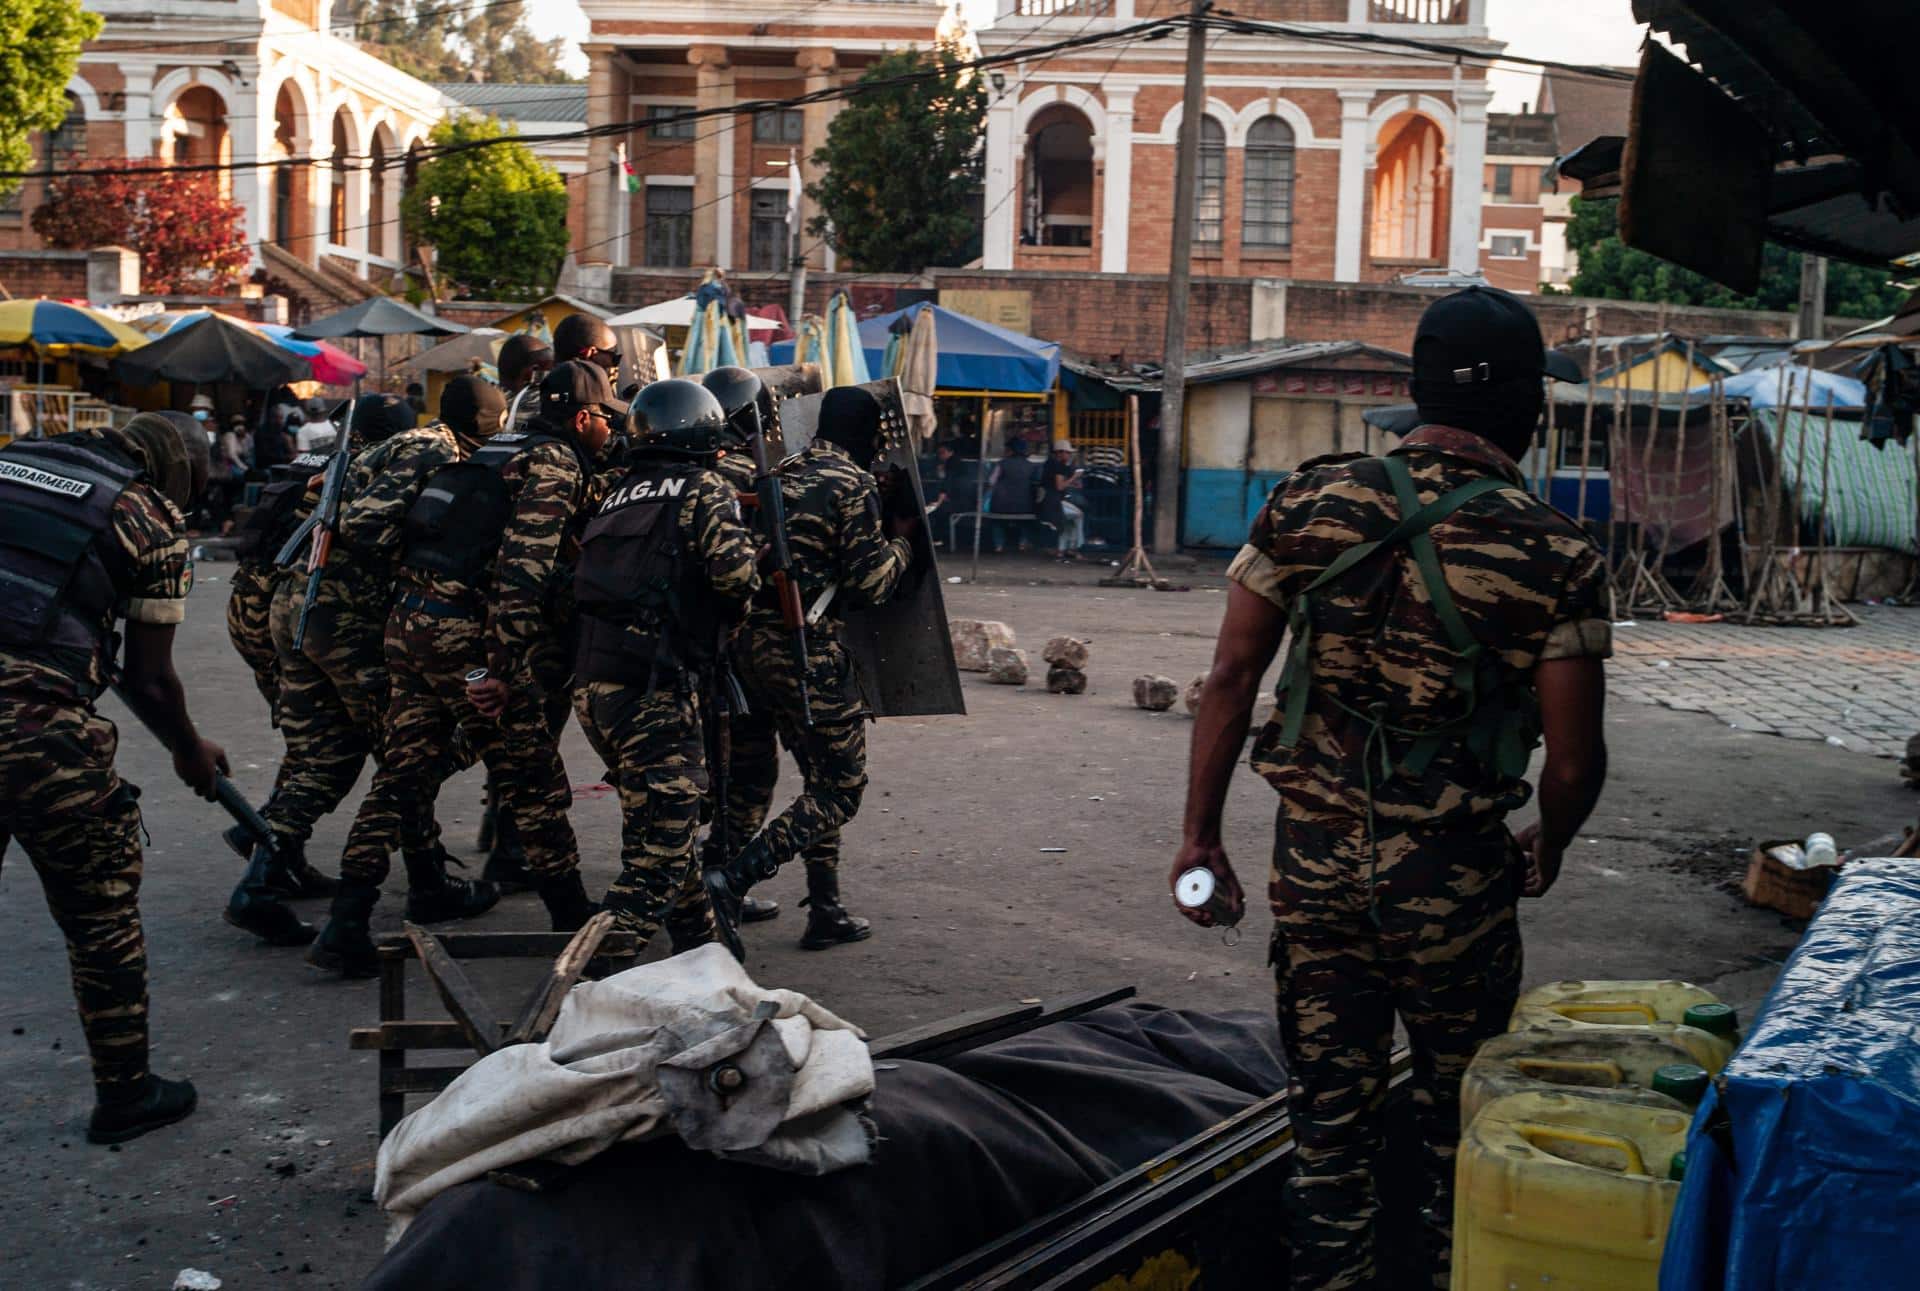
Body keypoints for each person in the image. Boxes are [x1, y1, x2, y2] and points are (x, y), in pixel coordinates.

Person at [1171, 286, 1611, 1290]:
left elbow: (1231, 679)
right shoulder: (1557, 552)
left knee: (1328, 1126)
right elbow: (1577, 762)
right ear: (1527, 408)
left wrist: (1200, 837)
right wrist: (1550, 836)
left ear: (1414, 394)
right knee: (1466, 1130)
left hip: (1316, 872)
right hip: (1456, 889)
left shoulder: (1310, 502)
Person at [0, 412, 221, 1143]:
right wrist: (190, 749)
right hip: (38, 733)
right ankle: (126, 1094)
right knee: (101, 918)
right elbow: (150, 680)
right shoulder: (147, 517)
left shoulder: (11, 464)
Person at [306, 377, 512, 976]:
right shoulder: (436, 449)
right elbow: (365, 523)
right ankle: (568, 906)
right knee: (502, 750)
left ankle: (367, 907)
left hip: (391, 620)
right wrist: (426, 554)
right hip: (399, 622)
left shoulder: (425, 445)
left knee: (403, 766)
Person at [705, 385, 918, 958]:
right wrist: (901, 541)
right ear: (872, 437)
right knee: (836, 788)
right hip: (806, 653)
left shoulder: (782, 468)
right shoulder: (850, 483)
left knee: (752, 781)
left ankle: (821, 906)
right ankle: (730, 881)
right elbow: (871, 584)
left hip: (747, 650)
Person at [571, 379, 759, 952]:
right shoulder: (703, 489)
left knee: (662, 834)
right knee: (658, 858)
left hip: (596, 685)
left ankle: (705, 957)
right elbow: (735, 581)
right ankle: (584, 990)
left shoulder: (618, 491)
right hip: (654, 690)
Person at [694, 365, 786, 929]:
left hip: (678, 650)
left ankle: (690, 879)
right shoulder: (753, 472)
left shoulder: (686, 466)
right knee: (747, 773)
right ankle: (716, 880)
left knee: (702, 770)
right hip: (740, 648)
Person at [986, 436, 1038, 553]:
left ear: (1011, 450)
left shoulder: (1001, 464)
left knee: (997, 522)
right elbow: (1035, 484)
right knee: (1026, 522)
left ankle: (999, 545)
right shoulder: (1031, 466)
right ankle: (1022, 543)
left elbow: (991, 481)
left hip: (1001, 506)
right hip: (1025, 506)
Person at [1038, 440, 1086, 560]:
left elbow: (1056, 483)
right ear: (1060, 453)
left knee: (1068, 520)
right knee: (1079, 515)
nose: (1069, 455)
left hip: (1048, 501)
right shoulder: (1057, 466)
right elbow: (1059, 486)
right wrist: (1074, 477)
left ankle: (1062, 549)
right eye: (1067, 453)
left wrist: (1072, 482)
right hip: (1053, 503)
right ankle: (1074, 548)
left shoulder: (1050, 463)